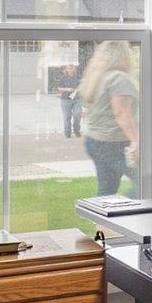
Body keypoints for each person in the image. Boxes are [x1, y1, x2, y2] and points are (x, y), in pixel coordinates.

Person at [75, 42, 140, 196]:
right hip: (115, 143)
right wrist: (136, 140)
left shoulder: (96, 78)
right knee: (148, 184)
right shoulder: (119, 78)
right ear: (122, 56)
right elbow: (121, 113)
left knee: (106, 191)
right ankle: (124, 213)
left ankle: (103, 220)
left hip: (94, 141)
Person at [51, 60, 81, 138]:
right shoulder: (63, 78)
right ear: (67, 69)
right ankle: (67, 133)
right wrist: (67, 89)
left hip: (76, 99)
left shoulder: (77, 77)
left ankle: (76, 130)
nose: (72, 70)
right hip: (65, 100)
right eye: (70, 68)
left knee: (77, 114)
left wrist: (79, 89)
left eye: (73, 68)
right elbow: (59, 88)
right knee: (67, 117)